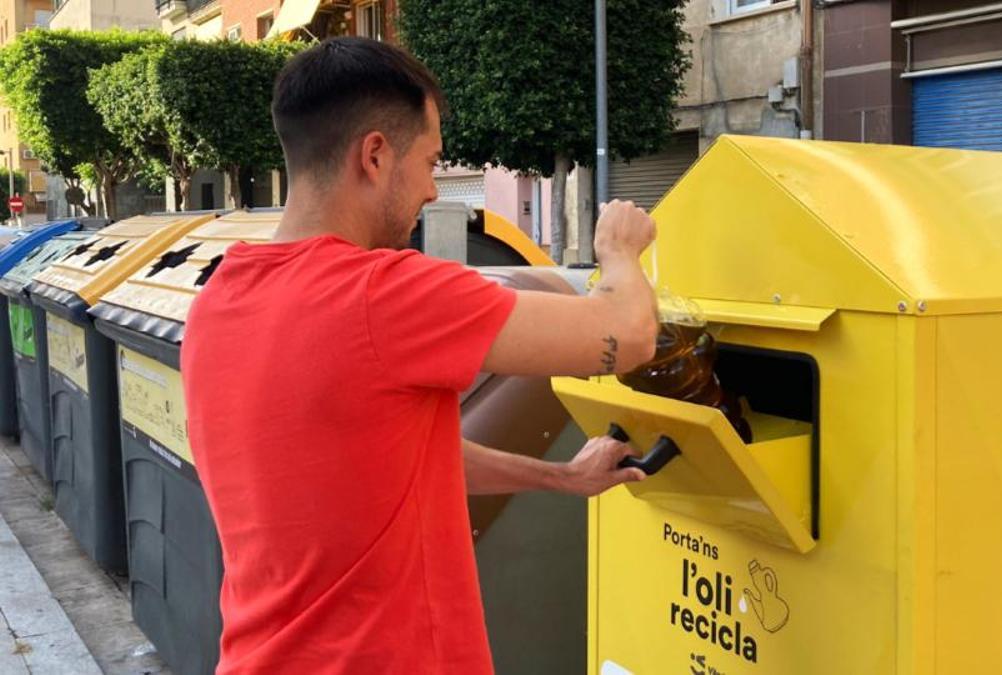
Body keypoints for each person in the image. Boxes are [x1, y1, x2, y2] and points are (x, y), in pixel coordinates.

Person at [180, 37, 659, 674]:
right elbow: (629, 336)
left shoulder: (218, 301)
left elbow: (391, 458)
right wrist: (620, 251)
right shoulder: (384, 294)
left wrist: (559, 477)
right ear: (375, 155)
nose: (434, 191)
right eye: (431, 163)